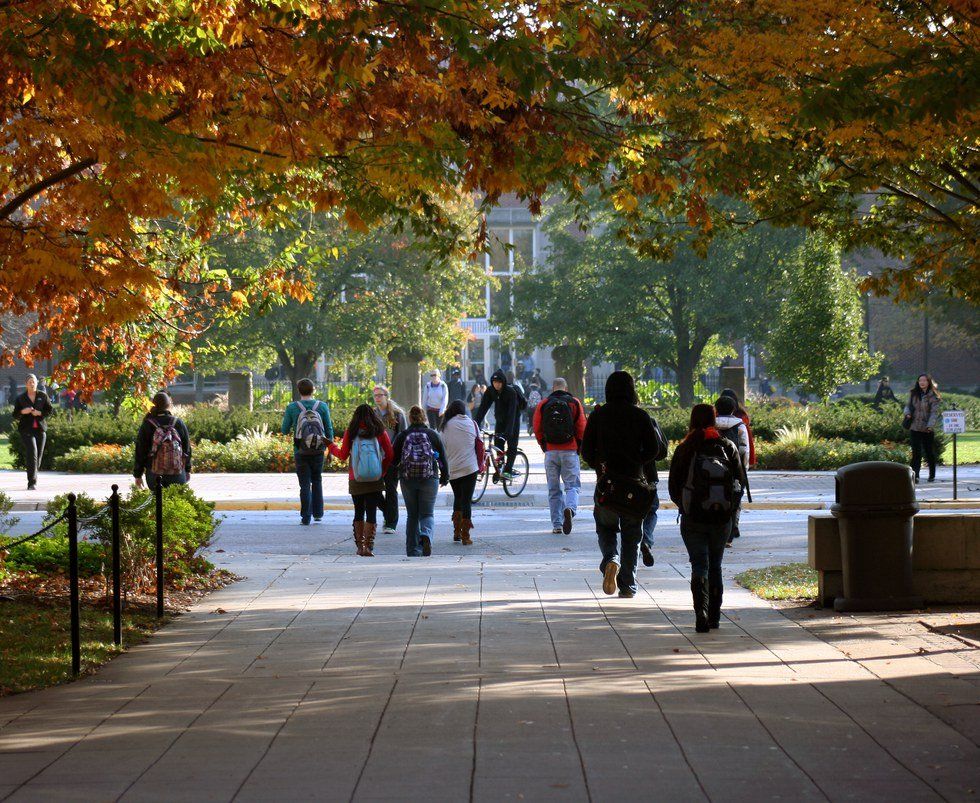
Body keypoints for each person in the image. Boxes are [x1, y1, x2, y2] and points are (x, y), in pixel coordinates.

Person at [581, 371, 661, 598]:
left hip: (607, 484)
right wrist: (637, 462)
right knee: (632, 534)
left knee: (605, 527)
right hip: (634, 486)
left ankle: (610, 559)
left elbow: (586, 451)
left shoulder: (598, 416)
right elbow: (654, 450)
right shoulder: (640, 416)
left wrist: (600, 465)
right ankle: (627, 585)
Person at [668, 404, 742, 632]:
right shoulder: (727, 446)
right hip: (721, 519)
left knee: (699, 565)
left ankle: (700, 613)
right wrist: (730, 512)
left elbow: (673, 486)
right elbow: (739, 484)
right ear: (714, 420)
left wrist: (685, 505)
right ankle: (715, 617)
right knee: (716, 566)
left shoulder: (686, 448)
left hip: (693, 518)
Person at [328, 404, 394, 557]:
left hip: (356, 477)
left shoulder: (351, 433)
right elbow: (390, 454)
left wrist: (331, 446)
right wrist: (381, 470)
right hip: (375, 478)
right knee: (371, 510)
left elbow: (343, 455)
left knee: (358, 510)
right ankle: (369, 546)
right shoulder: (379, 432)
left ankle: (359, 547)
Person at [391, 406, 448, 557]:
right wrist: (445, 476)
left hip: (407, 479)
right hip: (429, 478)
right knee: (427, 513)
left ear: (410, 418)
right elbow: (443, 456)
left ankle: (412, 549)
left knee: (412, 515)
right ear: (424, 417)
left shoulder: (403, 435)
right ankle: (426, 536)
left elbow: (393, 459)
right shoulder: (432, 434)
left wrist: (392, 476)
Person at [533, 378, 586, 534]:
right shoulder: (574, 402)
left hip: (551, 451)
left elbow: (537, 428)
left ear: (553, 388)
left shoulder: (544, 404)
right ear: (566, 387)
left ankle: (557, 524)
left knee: (553, 489)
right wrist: (579, 446)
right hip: (570, 450)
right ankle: (570, 508)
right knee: (572, 486)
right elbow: (582, 427)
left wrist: (544, 445)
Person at [281, 378, 334, 525]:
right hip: (318, 450)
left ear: (299, 391)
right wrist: (330, 448)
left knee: (304, 484)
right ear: (313, 390)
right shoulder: (322, 406)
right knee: (317, 480)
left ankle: (306, 517)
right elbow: (329, 429)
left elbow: (284, 430)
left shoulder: (292, 407)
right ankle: (318, 514)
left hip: (300, 451)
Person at [440, 400, 483, 545]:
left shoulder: (445, 426)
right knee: (466, 501)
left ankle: (456, 532)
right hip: (470, 468)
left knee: (458, 498)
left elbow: (442, 447)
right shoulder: (472, 424)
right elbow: (479, 445)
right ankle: (466, 536)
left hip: (453, 469)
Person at [473, 368, 525, 479]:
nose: (496, 385)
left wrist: (508, 432)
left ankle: (508, 470)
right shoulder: (491, 391)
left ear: (503, 382)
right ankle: (500, 468)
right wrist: (475, 424)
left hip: (513, 421)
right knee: (498, 444)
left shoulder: (510, 392)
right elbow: (483, 408)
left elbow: (512, 413)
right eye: (494, 382)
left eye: (499, 382)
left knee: (512, 445)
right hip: (500, 420)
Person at [134, 392, 191, 490]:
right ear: (169, 405)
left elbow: (140, 451)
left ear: (153, 404)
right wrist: (187, 469)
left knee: (157, 501)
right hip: (177, 472)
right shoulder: (178, 423)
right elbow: (187, 449)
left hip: (154, 473)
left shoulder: (147, 424)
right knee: (175, 501)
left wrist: (138, 474)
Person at [714, 395, 750, 547]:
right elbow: (744, 450)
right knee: (733, 501)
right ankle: (729, 536)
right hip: (734, 471)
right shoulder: (740, 426)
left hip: (712, 470)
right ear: (734, 409)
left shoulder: (710, 424)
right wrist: (744, 469)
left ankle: (715, 531)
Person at [373, 384, 407, 533]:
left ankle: (391, 523)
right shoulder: (372, 415)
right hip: (375, 458)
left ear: (387, 397)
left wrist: (396, 454)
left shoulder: (398, 415)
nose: (377, 398)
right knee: (374, 490)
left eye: (380, 395)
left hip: (393, 459)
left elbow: (403, 436)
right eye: (375, 395)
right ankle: (388, 513)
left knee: (391, 489)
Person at [639, 409, 669, 568]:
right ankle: (646, 539)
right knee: (651, 511)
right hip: (648, 475)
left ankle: (634, 544)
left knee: (628, 514)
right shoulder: (648, 420)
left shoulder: (616, 419)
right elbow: (662, 451)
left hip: (624, 475)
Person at [13, 374, 53, 490]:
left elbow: (50, 410)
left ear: (36, 383)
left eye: (34, 382)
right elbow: (15, 414)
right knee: (32, 453)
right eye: (30, 382)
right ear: (26, 384)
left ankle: (34, 473)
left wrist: (40, 413)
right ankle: (32, 483)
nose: (32, 384)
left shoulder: (43, 395)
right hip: (26, 430)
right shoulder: (21, 398)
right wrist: (23, 411)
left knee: (38, 458)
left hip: (40, 429)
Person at [904, 374, 941, 483]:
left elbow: (934, 413)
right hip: (914, 426)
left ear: (929, 382)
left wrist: (930, 425)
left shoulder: (934, 396)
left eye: (924, 380)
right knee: (916, 452)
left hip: (927, 428)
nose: (922, 382)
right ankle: (915, 476)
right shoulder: (913, 393)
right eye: (920, 380)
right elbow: (907, 406)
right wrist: (907, 413)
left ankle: (932, 475)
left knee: (929, 451)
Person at [719, 388, 756, 469]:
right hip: (737, 459)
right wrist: (750, 460)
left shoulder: (713, 418)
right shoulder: (741, 418)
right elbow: (747, 441)